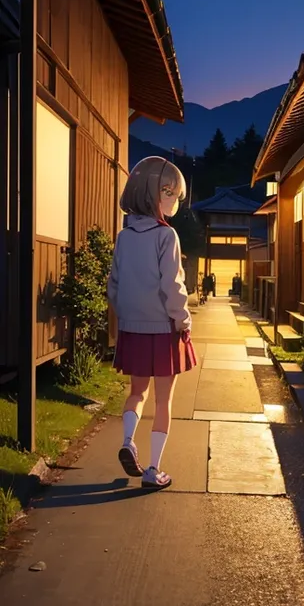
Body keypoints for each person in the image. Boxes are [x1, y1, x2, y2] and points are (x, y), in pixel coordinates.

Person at [108, 156, 197, 491]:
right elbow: (172, 285)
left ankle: (128, 440)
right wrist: (182, 320)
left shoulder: (124, 236)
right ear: (159, 193)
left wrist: (127, 315)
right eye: (172, 194)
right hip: (163, 330)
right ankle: (153, 470)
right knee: (163, 401)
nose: (175, 201)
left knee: (136, 392)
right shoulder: (166, 236)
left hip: (133, 327)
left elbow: (113, 286)